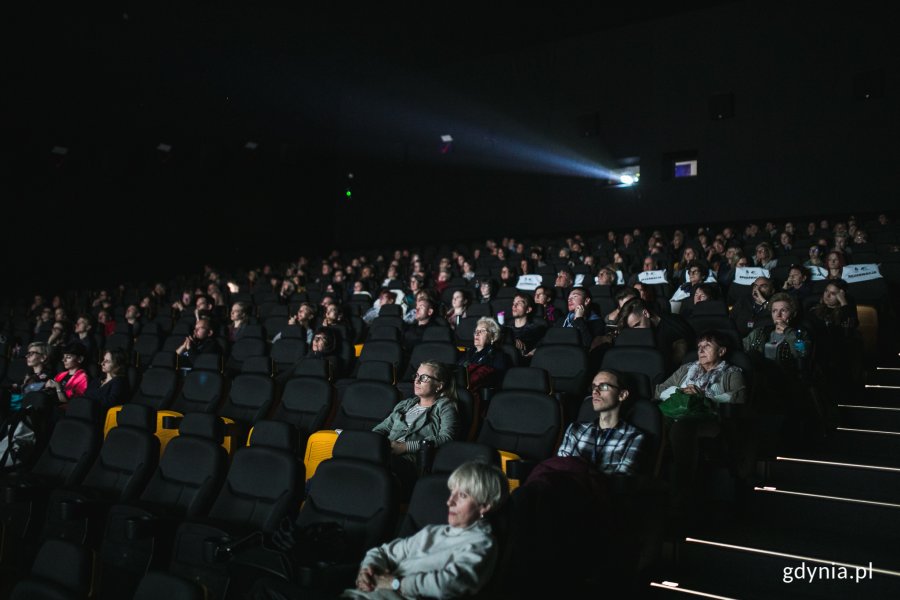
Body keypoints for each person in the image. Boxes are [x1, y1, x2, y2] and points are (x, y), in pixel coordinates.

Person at [342, 461, 508, 598]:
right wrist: (368, 571)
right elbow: (382, 552)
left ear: (484, 506)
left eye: (463, 495)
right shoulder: (432, 532)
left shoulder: (482, 543)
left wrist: (395, 583)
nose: (449, 502)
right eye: (452, 492)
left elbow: (448, 584)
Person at [372, 360, 459, 491]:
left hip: (411, 462)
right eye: (417, 376)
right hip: (386, 452)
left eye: (424, 378)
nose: (417, 381)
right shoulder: (405, 404)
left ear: (439, 385)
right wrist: (374, 442)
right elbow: (382, 428)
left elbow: (446, 438)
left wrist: (405, 447)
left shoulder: (445, 407)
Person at [556, 369, 645, 476]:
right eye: (594, 387)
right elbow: (559, 468)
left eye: (604, 387)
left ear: (622, 395)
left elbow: (620, 481)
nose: (595, 392)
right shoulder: (575, 428)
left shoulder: (633, 436)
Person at [460, 317, 512, 398]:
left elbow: (496, 384)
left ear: (492, 337)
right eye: (476, 331)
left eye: (482, 331)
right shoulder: (468, 353)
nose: (477, 333)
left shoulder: (499, 357)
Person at [505, 292, 546, 358]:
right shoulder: (505, 327)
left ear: (528, 310)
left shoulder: (535, 329)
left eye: (519, 303)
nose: (514, 306)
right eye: (514, 303)